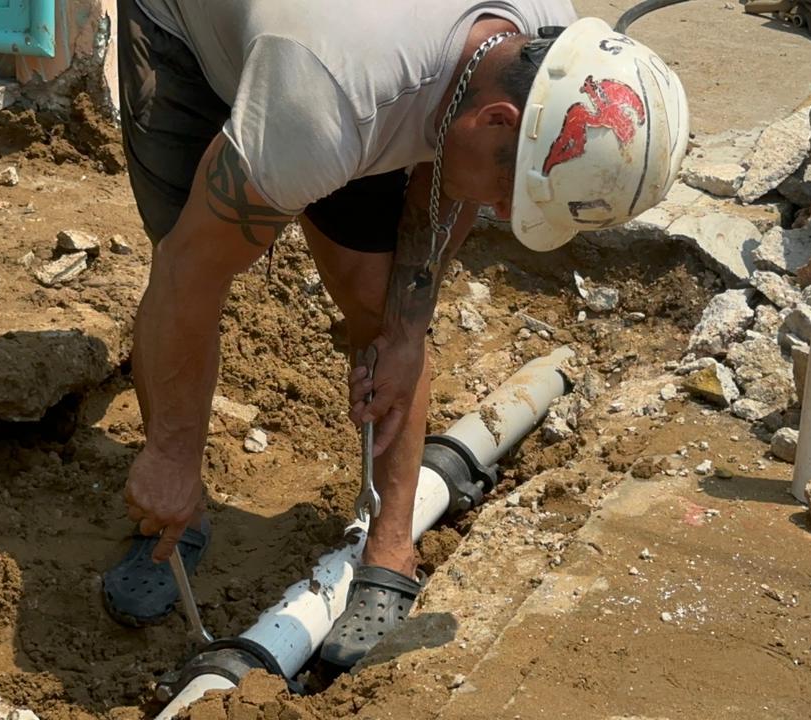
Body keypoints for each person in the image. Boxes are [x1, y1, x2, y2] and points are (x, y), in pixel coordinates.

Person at [101, 0, 689, 670]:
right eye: (510, 192)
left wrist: (406, 333)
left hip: (352, 71)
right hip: (195, 26)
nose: (500, 211)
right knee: (190, 259)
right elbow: (188, 275)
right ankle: (173, 518)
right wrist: (171, 454)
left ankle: (390, 543)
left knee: (379, 301)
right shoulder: (327, 99)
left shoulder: (546, 39)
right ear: (497, 120)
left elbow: (451, 183)